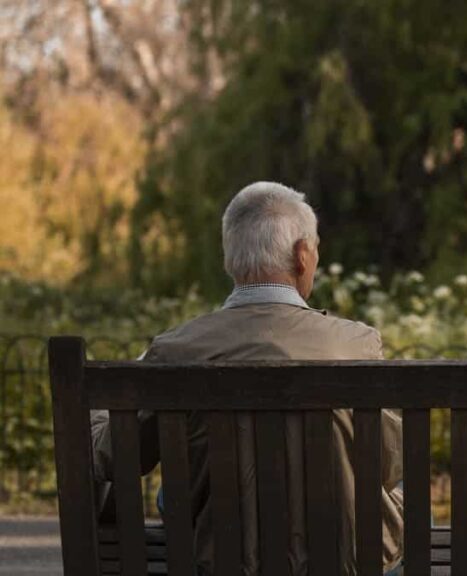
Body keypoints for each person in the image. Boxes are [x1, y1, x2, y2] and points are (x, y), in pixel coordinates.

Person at [89, 182, 403, 575]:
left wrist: (107, 403)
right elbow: (387, 466)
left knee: (172, 492)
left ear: (229, 259)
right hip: (344, 559)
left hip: (218, 556)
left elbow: (116, 454)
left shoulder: (177, 351)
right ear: (303, 256)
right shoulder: (356, 344)